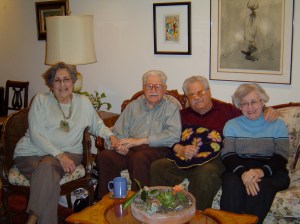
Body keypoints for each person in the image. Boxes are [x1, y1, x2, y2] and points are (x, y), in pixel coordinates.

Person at [150, 76, 278, 211]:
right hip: (183, 158)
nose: (197, 97)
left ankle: (195, 216)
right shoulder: (180, 115)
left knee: (206, 173)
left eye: (200, 92)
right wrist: (179, 148)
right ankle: (161, 213)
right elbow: (167, 137)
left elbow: (250, 111)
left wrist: (267, 110)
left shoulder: (227, 110)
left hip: (213, 159)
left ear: (209, 91)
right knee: (158, 166)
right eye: (191, 94)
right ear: (187, 97)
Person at [14, 62, 118, 224]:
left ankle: (32, 218)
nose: (62, 84)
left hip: (70, 153)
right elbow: (36, 135)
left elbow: (97, 126)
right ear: (51, 83)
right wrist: (59, 155)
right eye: (57, 80)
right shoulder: (41, 101)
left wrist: (111, 137)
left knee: (47, 168)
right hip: (31, 153)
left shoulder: (83, 102)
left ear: (73, 81)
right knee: (49, 176)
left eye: (66, 79)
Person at [96, 70, 181, 199]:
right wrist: (120, 146)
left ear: (164, 88)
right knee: (105, 156)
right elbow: (119, 131)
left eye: (157, 86)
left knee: (139, 158)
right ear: (143, 88)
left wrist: (142, 140)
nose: (153, 89)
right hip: (130, 149)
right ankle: (105, 203)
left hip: (158, 150)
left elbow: (174, 135)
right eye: (149, 86)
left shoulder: (171, 108)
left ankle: (140, 202)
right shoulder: (133, 106)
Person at [220, 83, 289, 224]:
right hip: (239, 169)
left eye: (253, 102)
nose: (249, 108)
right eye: (244, 104)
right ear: (239, 106)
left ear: (262, 102)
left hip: (271, 170)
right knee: (231, 184)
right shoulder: (232, 125)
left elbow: (282, 155)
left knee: (260, 187)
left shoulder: (277, 124)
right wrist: (243, 173)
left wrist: (260, 172)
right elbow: (228, 154)